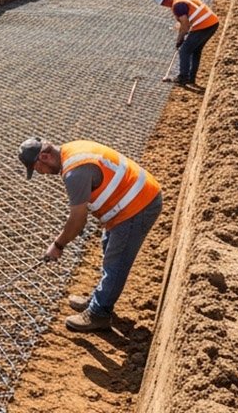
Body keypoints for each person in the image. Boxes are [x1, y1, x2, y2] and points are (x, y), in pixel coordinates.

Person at [18, 137, 163, 332]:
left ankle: (99, 314)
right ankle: (99, 298)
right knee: (108, 249)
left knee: (116, 263)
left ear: (44, 157)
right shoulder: (71, 149)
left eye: (37, 168)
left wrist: (58, 245)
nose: (41, 174)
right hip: (130, 199)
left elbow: (78, 220)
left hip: (137, 206)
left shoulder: (75, 173)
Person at [152, 0, 219, 87]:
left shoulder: (178, 5)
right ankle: (191, 79)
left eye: (163, 4)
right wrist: (182, 32)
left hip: (203, 26)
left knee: (184, 51)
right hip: (212, 23)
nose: (165, 6)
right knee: (195, 51)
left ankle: (183, 78)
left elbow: (185, 25)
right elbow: (184, 21)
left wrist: (179, 40)